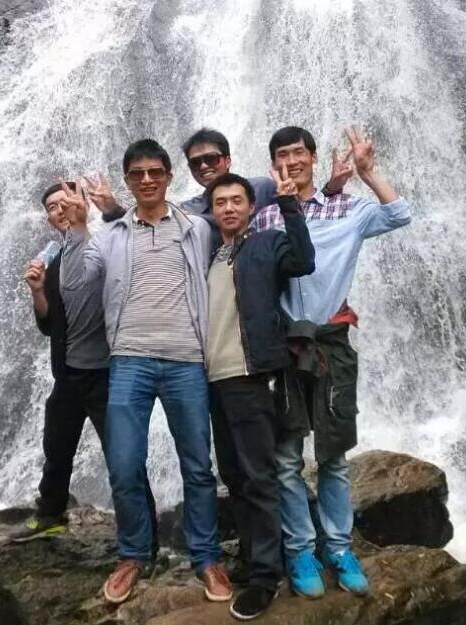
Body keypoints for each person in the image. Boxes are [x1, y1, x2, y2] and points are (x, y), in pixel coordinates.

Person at [250, 126, 412, 598]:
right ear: (273, 165)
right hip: (284, 347)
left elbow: (399, 214)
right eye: (282, 155)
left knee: (334, 457)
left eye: (299, 152)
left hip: (331, 345)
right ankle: (300, 549)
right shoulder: (265, 217)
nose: (291, 161)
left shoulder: (348, 209)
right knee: (286, 458)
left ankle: (339, 547)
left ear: (313, 157)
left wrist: (367, 172)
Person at [69, 139, 231, 605]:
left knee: (197, 466)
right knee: (123, 464)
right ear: (127, 180)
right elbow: (78, 280)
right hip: (129, 360)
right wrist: (78, 229)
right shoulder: (111, 234)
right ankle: (133, 554)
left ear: (168, 176)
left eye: (155, 172)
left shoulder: (198, 228)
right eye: (137, 173)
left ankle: (207, 557)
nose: (147, 179)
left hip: (187, 360)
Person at [12, 181, 157, 546]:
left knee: (124, 458)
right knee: (56, 448)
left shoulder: (105, 244)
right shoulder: (52, 259)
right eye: (52, 207)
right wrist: (38, 292)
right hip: (68, 373)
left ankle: (145, 538)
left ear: (82, 205)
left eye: (66, 202)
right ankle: (51, 514)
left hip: (109, 374)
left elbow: (134, 236)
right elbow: (49, 325)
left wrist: (110, 209)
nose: (60, 210)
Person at [206, 170, 314, 619]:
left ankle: (267, 577)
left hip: (251, 376)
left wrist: (289, 205)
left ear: (251, 207)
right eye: (220, 202)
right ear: (212, 211)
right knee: (233, 475)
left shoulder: (267, 243)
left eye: (237, 200)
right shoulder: (211, 256)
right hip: (215, 380)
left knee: (259, 476)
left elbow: (304, 261)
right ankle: (252, 559)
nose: (228, 208)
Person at [181, 127, 350, 215]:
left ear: (228, 161)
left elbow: (305, 209)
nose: (203, 166)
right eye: (195, 162)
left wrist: (332, 188)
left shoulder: (262, 189)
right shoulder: (189, 211)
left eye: (211, 158)